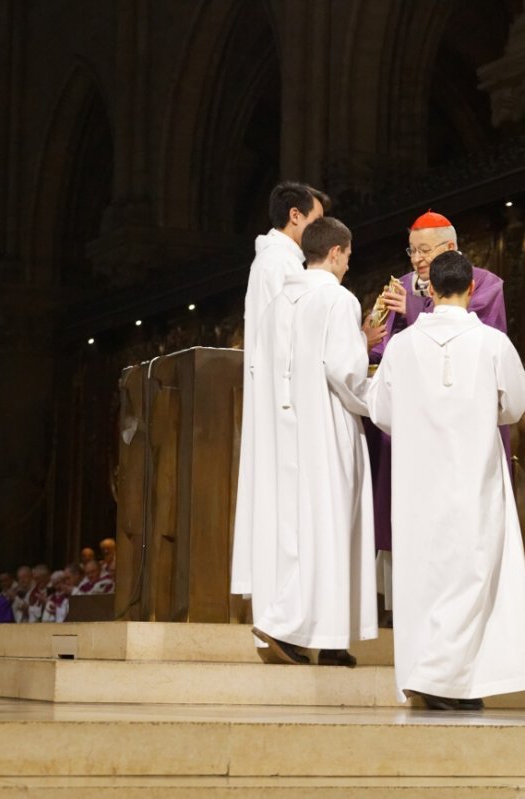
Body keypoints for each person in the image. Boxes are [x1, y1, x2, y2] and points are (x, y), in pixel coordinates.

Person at [369, 250, 525, 711]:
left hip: (415, 485)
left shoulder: (402, 346)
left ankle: (444, 679)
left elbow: (381, 413)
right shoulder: (491, 343)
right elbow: (515, 404)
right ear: (470, 288)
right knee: (471, 575)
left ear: (427, 290)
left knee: (422, 579)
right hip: (473, 478)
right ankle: (445, 678)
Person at [243, 216, 377, 667]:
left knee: (300, 533)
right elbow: (346, 372)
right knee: (335, 527)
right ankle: (299, 629)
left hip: (286, 431)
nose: (347, 266)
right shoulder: (338, 299)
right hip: (328, 426)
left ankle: (322, 637)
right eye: (348, 257)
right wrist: (381, 403)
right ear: (336, 252)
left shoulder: (279, 302)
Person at [366, 209, 509, 611]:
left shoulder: (481, 283)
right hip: (415, 420)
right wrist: (374, 327)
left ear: (450, 247)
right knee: (410, 513)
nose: (416, 260)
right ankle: (400, 605)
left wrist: (413, 310)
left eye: (424, 250)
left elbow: (475, 337)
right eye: (411, 251)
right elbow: (383, 348)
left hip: (462, 421)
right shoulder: (405, 284)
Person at [231, 181, 328, 604]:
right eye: (317, 221)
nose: (322, 233)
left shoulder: (283, 261)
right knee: (284, 501)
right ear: (295, 216)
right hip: (285, 397)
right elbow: (287, 336)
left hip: (286, 392)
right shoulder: (277, 264)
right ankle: (283, 603)